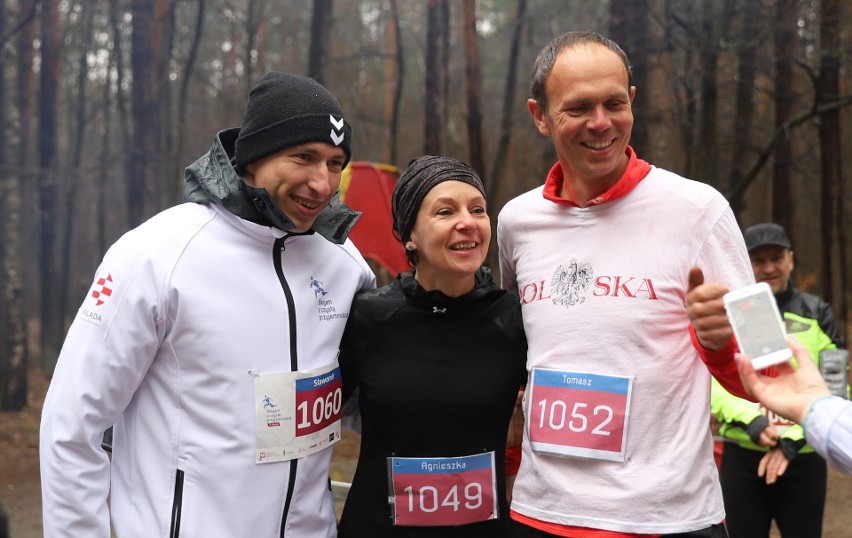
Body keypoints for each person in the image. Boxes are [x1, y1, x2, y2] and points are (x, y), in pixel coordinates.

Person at [39, 72, 375, 537]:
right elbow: (70, 426)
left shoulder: (344, 261)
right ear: (254, 156)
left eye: (336, 163)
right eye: (304, 157)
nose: (322, 183)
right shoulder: (159, 252)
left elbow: (372, 395)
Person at [497, 31, 755, 536]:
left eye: (615, 103)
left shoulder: (701, 210)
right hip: (541, 514)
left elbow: (769, 369)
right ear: (540, 116)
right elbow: (517, 358)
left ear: (632, 102)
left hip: (668, 520)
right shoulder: (515, 222)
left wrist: (721, 346)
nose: (601, 123)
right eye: (578, 108)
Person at [336, 155, 528, 537]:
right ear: (409, 234)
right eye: (445, 211)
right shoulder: (369, 316)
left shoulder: (514, 319)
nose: (468, 222)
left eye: (478, 210)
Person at [710, 222, 845, 538]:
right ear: (746, 263)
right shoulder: (733, 311)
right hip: (743, 455)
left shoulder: (818, 311)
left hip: (805, 458)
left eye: (777, 257)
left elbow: (837, 386)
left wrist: (793, 441)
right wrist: (753, 423)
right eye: (759, 260)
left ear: (791, 260)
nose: (769, 267)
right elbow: (716, 380)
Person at [736, 337, 852, 475]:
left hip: (808, 449)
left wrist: (793, 439)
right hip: (743, 448)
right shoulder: (738, 323)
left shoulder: (816, 317)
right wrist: (752, 421)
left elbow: (835, 379)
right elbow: (717, 387)